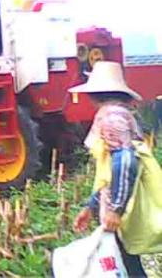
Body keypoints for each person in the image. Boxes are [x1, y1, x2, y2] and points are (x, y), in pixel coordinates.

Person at [69, 61, 147, 277]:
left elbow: (125, 160)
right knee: (127, 262)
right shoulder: (118, 113)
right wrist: (91, 207)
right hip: (120, 206)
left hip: (120, 210)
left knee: (127, 263)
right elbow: (108, 174)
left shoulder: (111, 118)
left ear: (95, 93)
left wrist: (115, 209)